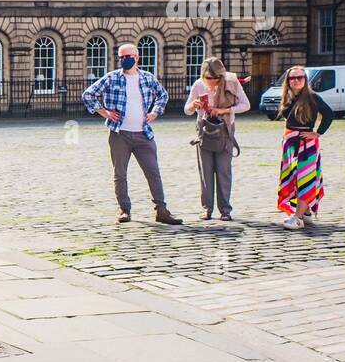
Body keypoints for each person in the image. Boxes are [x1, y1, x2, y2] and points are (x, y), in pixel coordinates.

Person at [82, 43, 183, 225]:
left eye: (127, 56)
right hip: (119, 134)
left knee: (153, 172)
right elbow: (88, 94)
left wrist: (155, 112)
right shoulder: (112, 78)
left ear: (136, 57)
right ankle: (124, 210)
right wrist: (104, 112)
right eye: (120, 57)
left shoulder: (147, 78)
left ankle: (161, 210)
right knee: (120, 174)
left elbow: (163, 95)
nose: (123, 60)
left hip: (143, 134)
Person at [185, 57, 250, 220]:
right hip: (205, 130)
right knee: (205, 171)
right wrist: (194, 105)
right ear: (203, 76)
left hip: (225, 129)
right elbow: (187, 110)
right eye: (208, 78)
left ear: (221, 76)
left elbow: (246, 105)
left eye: (216, 78)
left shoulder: (232, 83)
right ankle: (207, 208)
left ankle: (225, 210)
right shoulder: (198, 85)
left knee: (223, 171)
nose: (212, 82)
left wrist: (224, 110)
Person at [276, 66, 333, 230]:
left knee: (305, 179)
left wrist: (317, 133)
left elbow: (329, 114)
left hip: (306, 145)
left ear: (305, 79)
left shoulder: (312, 97)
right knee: (294, 178)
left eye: (299, 77)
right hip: (291, 144)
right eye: (292, 78)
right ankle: (306, 212)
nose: (296, 81)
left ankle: (298, 217)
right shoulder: (289, 97)